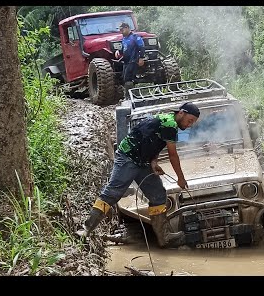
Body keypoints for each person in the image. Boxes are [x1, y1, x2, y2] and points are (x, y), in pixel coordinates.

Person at [77, 102, 200, 248]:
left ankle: (164, 238)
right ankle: (85, 229)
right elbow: (173, 155)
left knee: (158, 195)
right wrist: (180, 178)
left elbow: (153, 142)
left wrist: (153, 162)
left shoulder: (167, 121)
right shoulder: (170, 125)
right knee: (113, 193)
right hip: (127, 158)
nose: (190, 124)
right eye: (189, 120)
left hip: (142, 162)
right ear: (181, 113)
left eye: (193, 122)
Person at [115, 22, 145, 88]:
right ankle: (129, 94)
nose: (121, 32)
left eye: (122, 30)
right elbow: (123, 49)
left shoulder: (135, 37)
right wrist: (118, 52)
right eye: (120, 30)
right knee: (124, 78)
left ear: (127, 28)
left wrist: (141, 58)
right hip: (126, 62)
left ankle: (131, 95)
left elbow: (142, 47)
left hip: (133, 61)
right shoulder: (124, 38)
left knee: (128, 78)